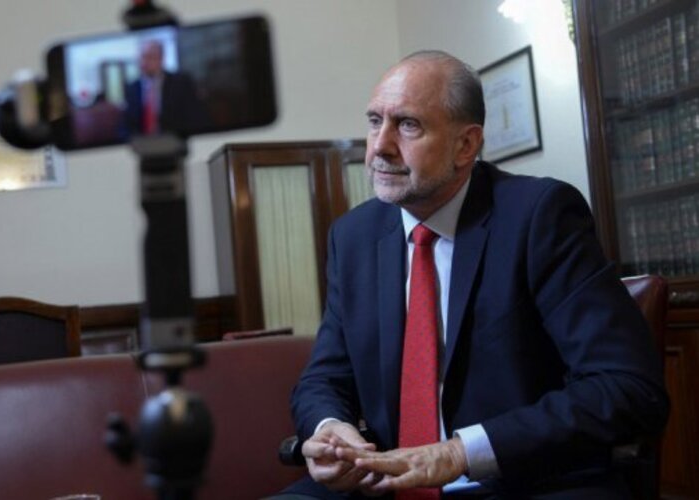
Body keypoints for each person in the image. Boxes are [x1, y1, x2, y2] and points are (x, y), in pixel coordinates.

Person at [279, 51, 669, 498]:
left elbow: (628, 388)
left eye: (408, 125)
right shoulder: (353, 236)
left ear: (466, 145)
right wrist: (331, 429)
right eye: (374, 121)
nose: (378, 147)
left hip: (518, 482)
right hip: (384, 484)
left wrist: (458, 453)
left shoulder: (538, 216)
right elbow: (322, 379)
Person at [125, 39, 203, 136]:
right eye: (141, 57)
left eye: (149, 57)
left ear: (161, 59)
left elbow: (195, 117)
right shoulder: (132, 88)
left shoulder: (181, 82)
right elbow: (127, 123)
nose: (144, 62)